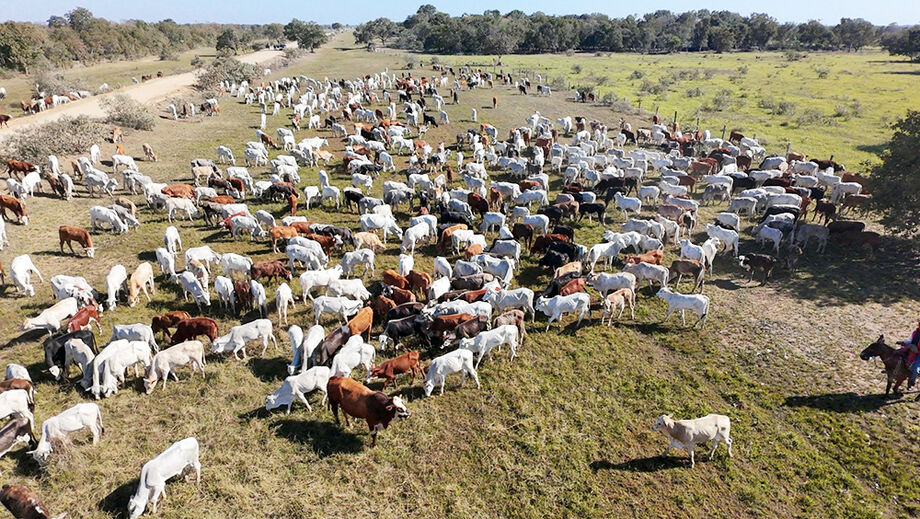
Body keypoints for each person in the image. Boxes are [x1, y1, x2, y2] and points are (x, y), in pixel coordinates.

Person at [898, 321, 920, 388]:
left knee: (915, 369)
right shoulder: (915, 332)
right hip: (910, 349)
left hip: (918, 354)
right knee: (897, 354)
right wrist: (903, 342)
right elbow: (910, 341)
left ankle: (911, 383)